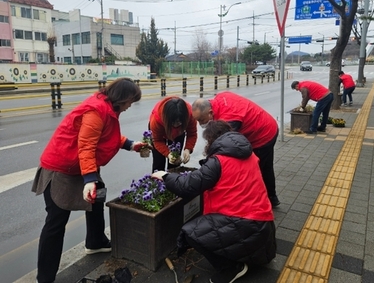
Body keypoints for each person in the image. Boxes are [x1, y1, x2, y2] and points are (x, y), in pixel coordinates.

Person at [32, 77, 145, 283]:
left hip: (80, 167)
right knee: (56, 222)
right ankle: (45, 277)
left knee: (98, 197)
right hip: (61, 169)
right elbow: (86, 145)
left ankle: (96, 241)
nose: (130, 106)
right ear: (123, 97)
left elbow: (107, 136)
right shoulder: (95, 110)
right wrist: (90, 179)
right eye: (131, 101)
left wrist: (130, 144)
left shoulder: (109, 109)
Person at [152, 120, 276, 283]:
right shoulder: (249, 154)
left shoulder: (219, 161)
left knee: (190, 233)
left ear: (212, 140)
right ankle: (236, 256)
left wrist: (165, 176)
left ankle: (231, 269)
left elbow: (187, 186)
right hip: (264, 225)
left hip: (245, 225)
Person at [191, 91, 280, 207]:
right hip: (266, 124)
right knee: (266, 167)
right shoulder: (220, 98)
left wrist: (209, 162)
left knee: (257, 170)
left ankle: (260, 204)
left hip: (263, 135)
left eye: (201, 120)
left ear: (210, 113)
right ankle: (272, 198)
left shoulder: (229, 120)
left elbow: (224, 145)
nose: (200, 124)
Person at [148, 96, 197, 172]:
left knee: (175, 161)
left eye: (179, 122)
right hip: (160, 133)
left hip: (179, 133)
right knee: (158, 162)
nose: (176, 125)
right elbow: (157, 140)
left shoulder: (190, 115)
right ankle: (158, 181)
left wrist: (188, 149)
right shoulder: (156, 120)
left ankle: (173, 181)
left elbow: (192, 134)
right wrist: (168, 154)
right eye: (173, 123)